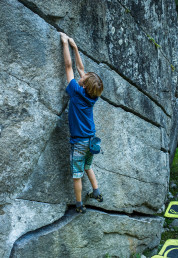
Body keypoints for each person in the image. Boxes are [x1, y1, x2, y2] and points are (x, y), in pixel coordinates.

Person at [60, 32, 103, 214]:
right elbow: (80, 68)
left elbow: (69, 66)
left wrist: (64, 43)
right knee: (88, 166)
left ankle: (78, 204)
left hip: (79, 142)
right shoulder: (92, 97)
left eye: (83, 79)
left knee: (77, 175)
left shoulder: (76, 92)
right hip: (91, 140)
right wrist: (75, 47)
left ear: (84, 86)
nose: (81, 76)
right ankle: (96, 191)